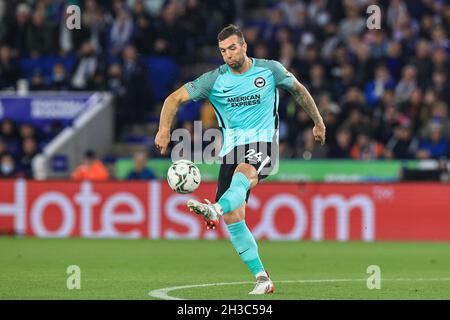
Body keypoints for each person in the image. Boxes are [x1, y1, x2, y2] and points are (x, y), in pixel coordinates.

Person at [154, 24, 326, 295]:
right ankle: (262, 277)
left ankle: (216, 208)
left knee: (243, 175)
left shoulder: (270, 70)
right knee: (235, 218)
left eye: (233, 48)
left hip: (264, 145)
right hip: (231, 151)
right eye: (223, 51)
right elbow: (173, 99)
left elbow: (299, 90)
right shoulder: (214, 79)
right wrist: (164, 129)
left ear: (244, 46)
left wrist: (318, 122)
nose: (228, 55)